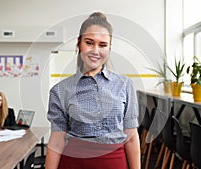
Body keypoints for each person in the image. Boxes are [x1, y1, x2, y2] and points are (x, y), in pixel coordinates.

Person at [46, 12, 140, 169]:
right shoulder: (60, 91)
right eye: (89, 43)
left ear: (109, 47)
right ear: (79, 43)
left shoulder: (125, 85)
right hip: (73, 162)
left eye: (102, 45)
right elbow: (56, 141)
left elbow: (131, 138)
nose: (95, 51)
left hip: (114, 162)